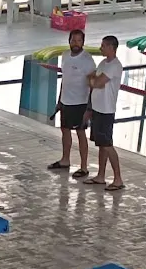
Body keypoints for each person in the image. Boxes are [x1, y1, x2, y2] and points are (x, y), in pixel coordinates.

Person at [48, 29, 97, 178]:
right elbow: (65, 79)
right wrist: (59, 101)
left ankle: (84, 167)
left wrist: (89, 107)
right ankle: (65, 160)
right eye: (73, 40)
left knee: (81, 133)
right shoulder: (65, 56)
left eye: (79, 40)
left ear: (83, 42)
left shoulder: (87, 60)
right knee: (65, 131)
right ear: (69, 41)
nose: (76, 43)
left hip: (80, 103)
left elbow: (93, 85)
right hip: (66, 101)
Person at [84, 35, 125, 191]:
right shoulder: (103, 63)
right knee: (101, 144)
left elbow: (97, 83)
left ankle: (118, 179)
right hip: (97, 109)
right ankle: (101, 176)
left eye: (103, 46)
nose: (100, 48)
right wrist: (89, 108)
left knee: (107, 145)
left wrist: (93, 80)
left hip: (106, 110)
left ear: (110, 47)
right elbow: (93, 83)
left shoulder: (115, 65)